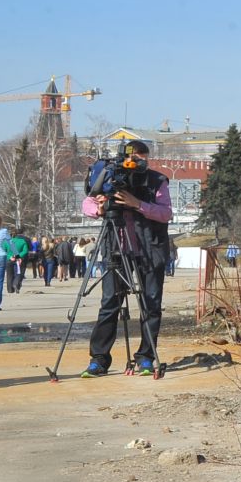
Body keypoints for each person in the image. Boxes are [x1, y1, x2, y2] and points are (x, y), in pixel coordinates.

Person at [77, 141, 173, 377]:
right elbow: (88, 201)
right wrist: (99, 208)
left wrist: (137, 204)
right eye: (136, 159)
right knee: (109, 303)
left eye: (143, 159)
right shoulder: (109, 174)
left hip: (150, 249)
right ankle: (98, 360)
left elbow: (166, 213)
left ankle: (146, 358)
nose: (140, 164)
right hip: (116, 248)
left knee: (150, 305)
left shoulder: (157, 180)